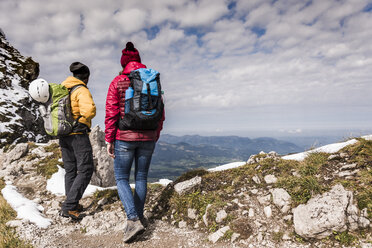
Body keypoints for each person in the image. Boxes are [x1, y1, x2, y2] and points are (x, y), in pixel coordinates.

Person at [105, 42, 164, 243]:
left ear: (123, 63)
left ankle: (133, 219)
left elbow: (112, 112)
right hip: (148, 136)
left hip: (124, 137)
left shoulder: (118, 81)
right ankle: (139, 217)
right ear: (139, 61)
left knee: (121, 178)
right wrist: (155, 133)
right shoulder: (152, 80)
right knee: (141, 177)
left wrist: (109, 139)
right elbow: (161, 112)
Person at [59, 62, 96, 220]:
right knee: (86, 169)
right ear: (86, 78)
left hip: (63, 134)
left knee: (70, 170)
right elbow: (89, 110)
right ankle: (69, 206)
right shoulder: (81, 89)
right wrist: (81, 123)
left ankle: (71, 202)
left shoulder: (62, 88)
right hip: (77, 135)